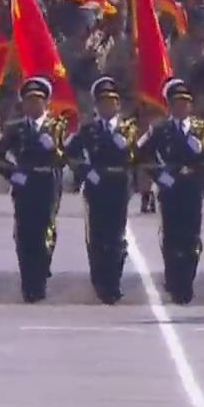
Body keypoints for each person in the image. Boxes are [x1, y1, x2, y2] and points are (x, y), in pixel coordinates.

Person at [0, 77, 68, 303]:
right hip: (25, 184)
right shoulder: (16, 129)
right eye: (29, 101)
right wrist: (13, 173)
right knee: (25, 233)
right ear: (23, 104)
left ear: (46, 103)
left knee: (46, 230)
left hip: (48, 183)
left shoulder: (56, 126)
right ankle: (28, 281)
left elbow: (69, 155)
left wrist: (57, 152)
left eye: (38, 101)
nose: (34, 106)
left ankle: (41, 274)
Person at [63, 77, 139, 304]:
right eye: (102, 102)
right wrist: (86, 172)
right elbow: (70, 153)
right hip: (96, 186)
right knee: (97, 236)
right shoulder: (89, 130)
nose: (107, 106)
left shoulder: (129, 129)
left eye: (111, 102)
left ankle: (113, 283)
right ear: (96, 105)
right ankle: (100, 281)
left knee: (117, 236)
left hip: (119, 185)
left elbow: (138, 156)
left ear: (118, 105)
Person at [138, 79, 204, 304]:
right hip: (170, 188)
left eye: (185, 103)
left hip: (192, 188)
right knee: (171, 237)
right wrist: (160, 176)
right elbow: (142, 154)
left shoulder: (201, 129)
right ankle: (174, 280)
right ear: (169, 106)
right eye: (176, 103)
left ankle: (187, 279)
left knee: (192, 237)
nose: (181, 107)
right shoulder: (160, 130)